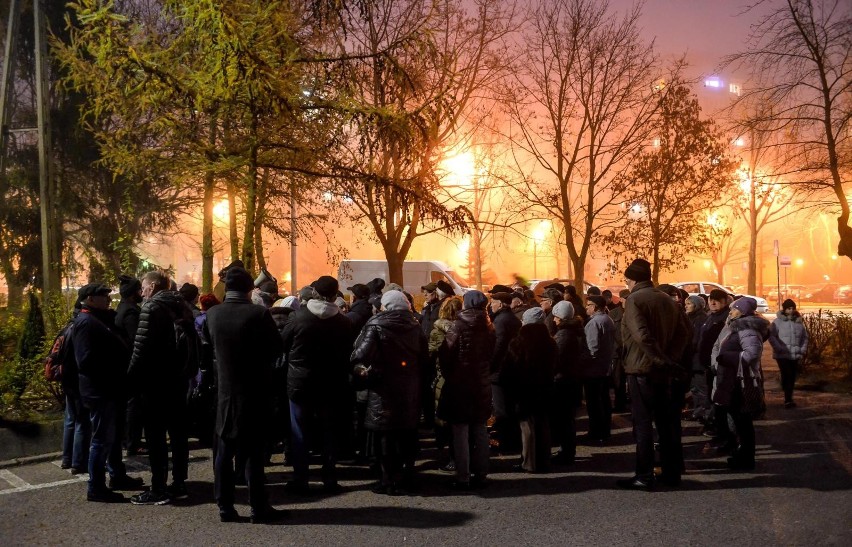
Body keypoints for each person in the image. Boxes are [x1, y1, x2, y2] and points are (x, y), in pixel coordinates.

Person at [204, 266, 287, 523]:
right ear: (251, 288)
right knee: (253, 454)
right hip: (254, 392)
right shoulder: (258, 314)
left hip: (225, 393)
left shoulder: (213, 314)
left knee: (224, 452)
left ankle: (225, 506)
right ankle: (258, 507)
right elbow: (276, 349)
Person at [618, 258, 691, 490]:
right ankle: (671, 473)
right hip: (664, 371)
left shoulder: (634, 301)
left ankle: (644, 474)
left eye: (626, 279)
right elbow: (685, 333)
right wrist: (671, 360)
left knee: (643, 424)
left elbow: (641, 336)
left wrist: (661, 360)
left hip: (642, 370)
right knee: (667, 423)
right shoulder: (668, 300)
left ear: (631, 279)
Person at [127, 271, 198, 505]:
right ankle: (179, 483)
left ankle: (158, 487)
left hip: (156, 382)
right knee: (178, 435)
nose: (142, 292)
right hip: (178, 381)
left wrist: (131, 377)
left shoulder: (152, 308)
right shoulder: (182, 305)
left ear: (154, 286)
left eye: (145, 287)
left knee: (156, 437)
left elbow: (141, 347)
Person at [282, 275, 354, 493]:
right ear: (335, 295)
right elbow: (349, 353)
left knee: (300, 431)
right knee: (329, 431)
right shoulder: (344, 322)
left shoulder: (298, 318)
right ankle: (329, 478)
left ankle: (301, 478)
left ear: (314, 292)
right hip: (332, 383)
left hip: (301, 382)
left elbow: (283, 344)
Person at [351, 290, 427, 495]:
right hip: (409, 386)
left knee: (385, 434)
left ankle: (387, 480)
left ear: (385, 305)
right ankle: (405, 476)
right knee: (405, 432)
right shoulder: (415, 325)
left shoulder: (376, 324)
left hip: (383, 387)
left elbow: (362, 353)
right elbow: (424, 357)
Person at [72, 283, 140, 502]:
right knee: (101, 439)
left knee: (111, 437)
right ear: (90, 299)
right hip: (100, 390)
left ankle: (117, 476)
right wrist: (112, 366)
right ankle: (96, 487)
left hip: (109, 388)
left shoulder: (98, 318)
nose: (108, 299)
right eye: (103, 296)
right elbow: (85, 360)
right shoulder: (86, 322)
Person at [438, 290, 495, 490]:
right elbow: (492, 356)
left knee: (460, 430)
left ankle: (463, 476)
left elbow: (445, 354)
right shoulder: (489, 326)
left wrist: (451, 374)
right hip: (481, 384)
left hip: (460, 385)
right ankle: (482, 473)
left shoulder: (459, 325)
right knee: (480, 429)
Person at [712, 297, 769, 471]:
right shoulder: (736, 326)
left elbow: (752, 354)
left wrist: (727, 358)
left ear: (742, 311)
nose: (730, 311)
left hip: (741, 381)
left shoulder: (747, 328)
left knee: (743, 422)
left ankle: (746, 459)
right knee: (738, 421)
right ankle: (741, 455)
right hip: (732, 378)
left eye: (734, 308)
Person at [501, 308, 556, 473]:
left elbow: (510, 366)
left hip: (523, 389)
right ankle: (544, 460)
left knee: (527, 426)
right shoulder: (550, 342)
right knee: (543, 424)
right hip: (545, 387)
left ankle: (529, 461)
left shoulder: (519, 341)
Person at [429, 297, 463, 472]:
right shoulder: (466, 330)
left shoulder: (437, 331)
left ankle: (452, 458)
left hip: (443, 379)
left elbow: (431, 355)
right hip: (463, 379)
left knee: (445, 420)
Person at [550, 301, 586, 465]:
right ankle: (567, 450)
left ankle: (567, 452)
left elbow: (557, 360)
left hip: (564, 382)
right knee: (567, 419)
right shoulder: (574, 331)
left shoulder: (564, 335)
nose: (553, 320)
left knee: (565, 419)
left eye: (556, 317)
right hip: (571, 380)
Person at [697, 289, 734, 445]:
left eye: (717, 300)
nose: (712, 303)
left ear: (725, 302)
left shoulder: (727, 318)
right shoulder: (710, 317)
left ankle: (725, 434)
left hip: (719, 365)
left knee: (721, 400)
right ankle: (718, 428)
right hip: (709, 364)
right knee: (713, 397)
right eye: (711, 299)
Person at [489, 291, 522, 454]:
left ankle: (507, 443)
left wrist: (491, 366)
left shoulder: (501, 320)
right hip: (511, 368)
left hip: (501, 371)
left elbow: (499, 345)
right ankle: (513, 441)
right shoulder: (512, 318)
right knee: (510, 407)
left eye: (493, 302)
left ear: (500, 304)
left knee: (502, 409)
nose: (491, 304)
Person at [115, 274, 145, 457]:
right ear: (134, 293)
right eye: (139, 290)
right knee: (134, 406)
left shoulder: (122, 308)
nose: (141, 293)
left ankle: (129, 440)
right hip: (131, 366)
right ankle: (132, 442)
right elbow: (137, 340)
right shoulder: (131, 312)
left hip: (125, 364)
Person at [60, 300, 91, 476]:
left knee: (70, 420)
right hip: (78, 380)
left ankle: (67, 458)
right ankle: (78, 462)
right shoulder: (81, 328)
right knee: (82, 422)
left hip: (67, 380)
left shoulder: (67, 327)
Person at [582, 295, 616, 441]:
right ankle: (605, 430)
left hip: (594, 369)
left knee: (594, 403)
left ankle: (596, 432)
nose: (586, 308)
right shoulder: (608, 319)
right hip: (605, 366)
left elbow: (592, 349)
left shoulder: (594, 323)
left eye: (588, 305)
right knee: (604, 400)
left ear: (595, 306)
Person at [769, 299, 808, 408]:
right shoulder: (777, 322)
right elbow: (772, 336)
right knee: (787, 374)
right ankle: (788, 399)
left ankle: (788, 396)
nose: (791, 310)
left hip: (795, 353)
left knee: (792, 376)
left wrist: (802, 349)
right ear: (784, 309)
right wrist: (779, 348)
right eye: (789, 308)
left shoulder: (798, 322)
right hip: (782, 354)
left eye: (793, 308)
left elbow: (805, 337)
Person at [685, 295, 710, 422]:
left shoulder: (700, 319)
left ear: (696, 305)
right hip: (692, 358)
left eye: (689, 303)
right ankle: (698, 411)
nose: (686, 306)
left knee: (700, 387)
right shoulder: (690, 317)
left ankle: (704, 412)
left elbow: (696, 339)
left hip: (697, 358)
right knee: (695, 387)